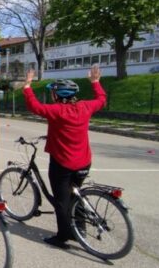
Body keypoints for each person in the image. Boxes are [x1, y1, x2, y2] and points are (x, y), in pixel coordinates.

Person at [22, 64, 106, 247]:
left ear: (57, 95)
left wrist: (27, 85)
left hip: (63, 163)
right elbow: (101, 100)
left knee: (62, 200)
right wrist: (95, 82)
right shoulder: (85, 107)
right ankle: (79, 230)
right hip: (84, 162)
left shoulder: (57, 111)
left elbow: (34, 106)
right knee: (76, 195)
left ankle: (63, 236)